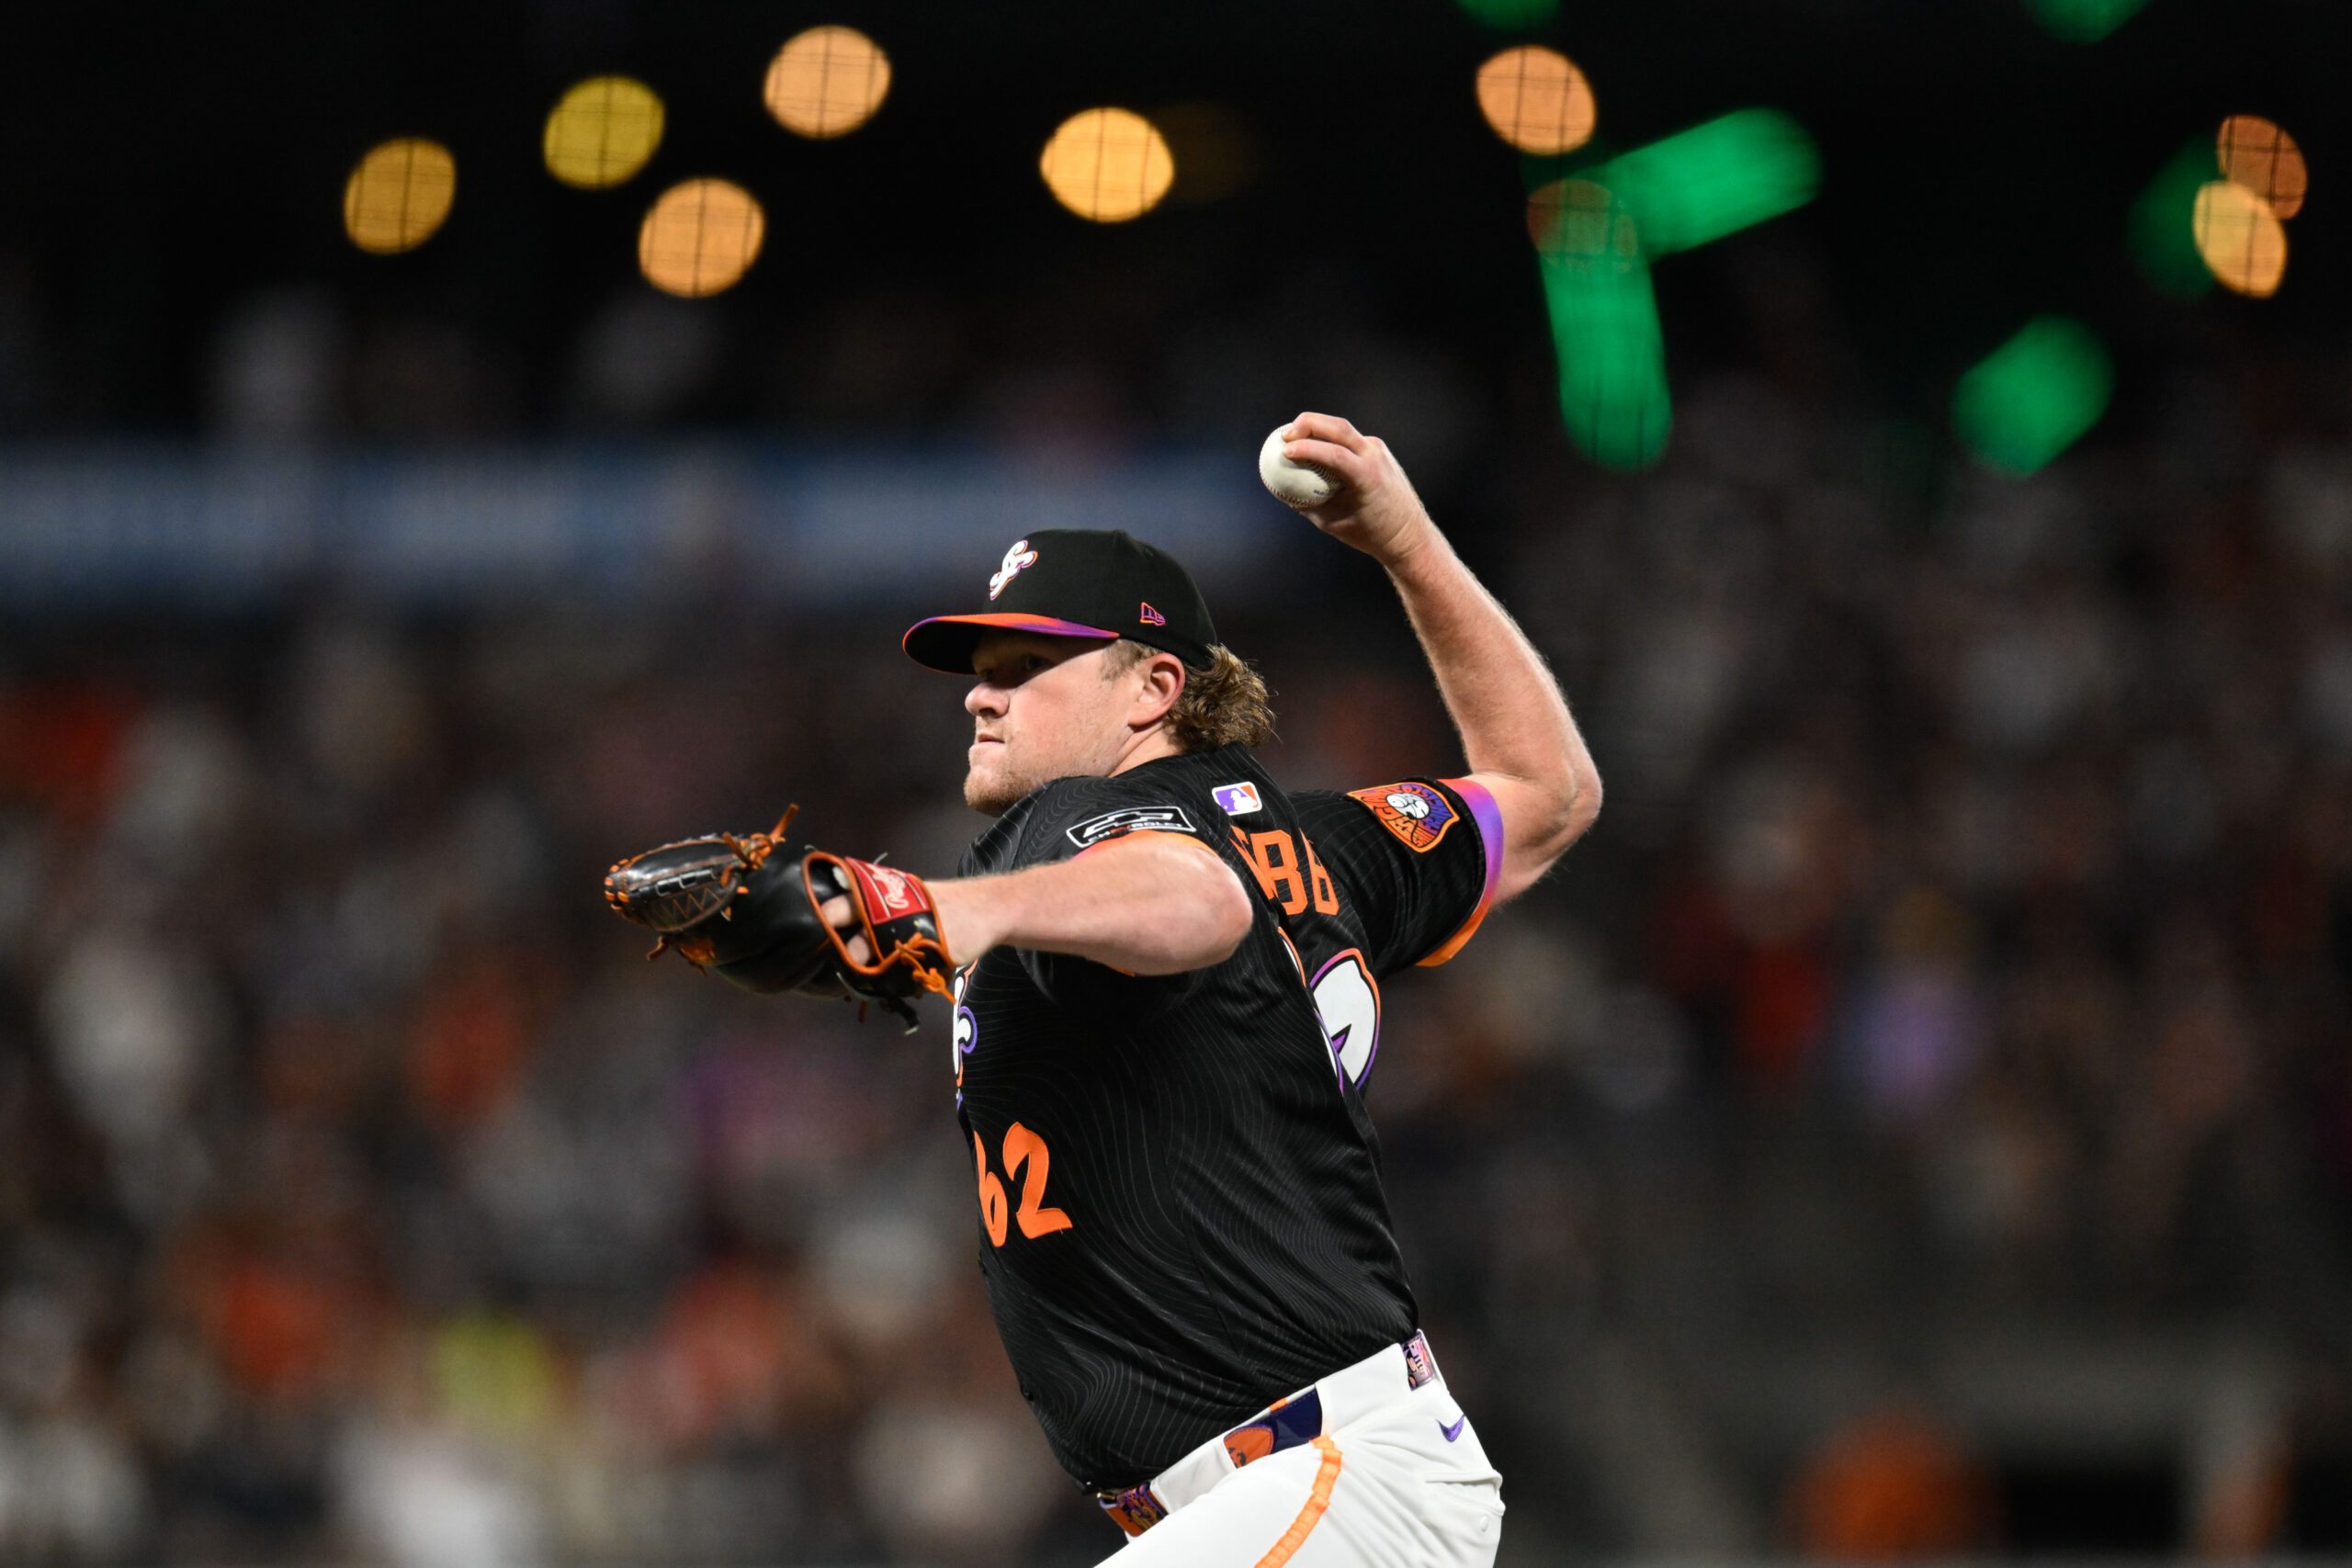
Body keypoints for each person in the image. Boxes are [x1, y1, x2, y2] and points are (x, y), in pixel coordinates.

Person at [841, 412, 1599, 1564]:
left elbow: (1194, 899)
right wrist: (1406, 543)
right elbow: (1547, 794)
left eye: (1021, 668)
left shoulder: (1077, 826)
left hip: (1316, 1475)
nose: (977, 698)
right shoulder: (1328, 845)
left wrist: (957, 911)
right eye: (978, 673)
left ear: (1152, 686)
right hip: (1307, 1488)